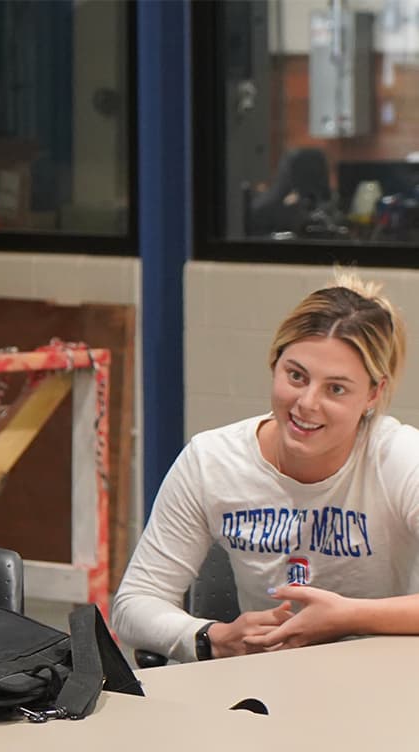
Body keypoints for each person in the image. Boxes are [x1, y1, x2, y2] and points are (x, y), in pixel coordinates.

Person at [111, 275, 419, 661]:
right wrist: (212, 637)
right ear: (274, 363)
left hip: (380, 684)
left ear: (373, 394)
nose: (307, 403)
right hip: (263, 683)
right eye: (296, 376)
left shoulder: (402, 458)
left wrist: (349, 617)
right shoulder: (212, 461)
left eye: (336, 389)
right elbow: (135, 602)